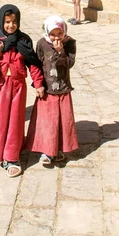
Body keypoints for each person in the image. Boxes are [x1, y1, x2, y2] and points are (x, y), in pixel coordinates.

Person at [0, 4, 44, 178]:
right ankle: (0, 146)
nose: (10, 25)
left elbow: (33, 63)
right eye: (7, 22)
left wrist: (38, 84)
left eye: (14, 22)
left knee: (15, 121)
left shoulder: (24, 41)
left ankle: (12, 157)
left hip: (16, 87)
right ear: (1, 21)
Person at [25, 15, 78, 166]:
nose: (56, 37)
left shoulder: (69, 44)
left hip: (62, 88)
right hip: (47, 90)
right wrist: (38, 84)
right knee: (48, 122)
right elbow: (37, 63)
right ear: (47, 32)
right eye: (52, 34)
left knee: (61, 121)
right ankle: (46, 151)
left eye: (59, 33)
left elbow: (69, 64)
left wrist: (61, 52)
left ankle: (59, 148)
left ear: (64, 32)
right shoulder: (42, 43)